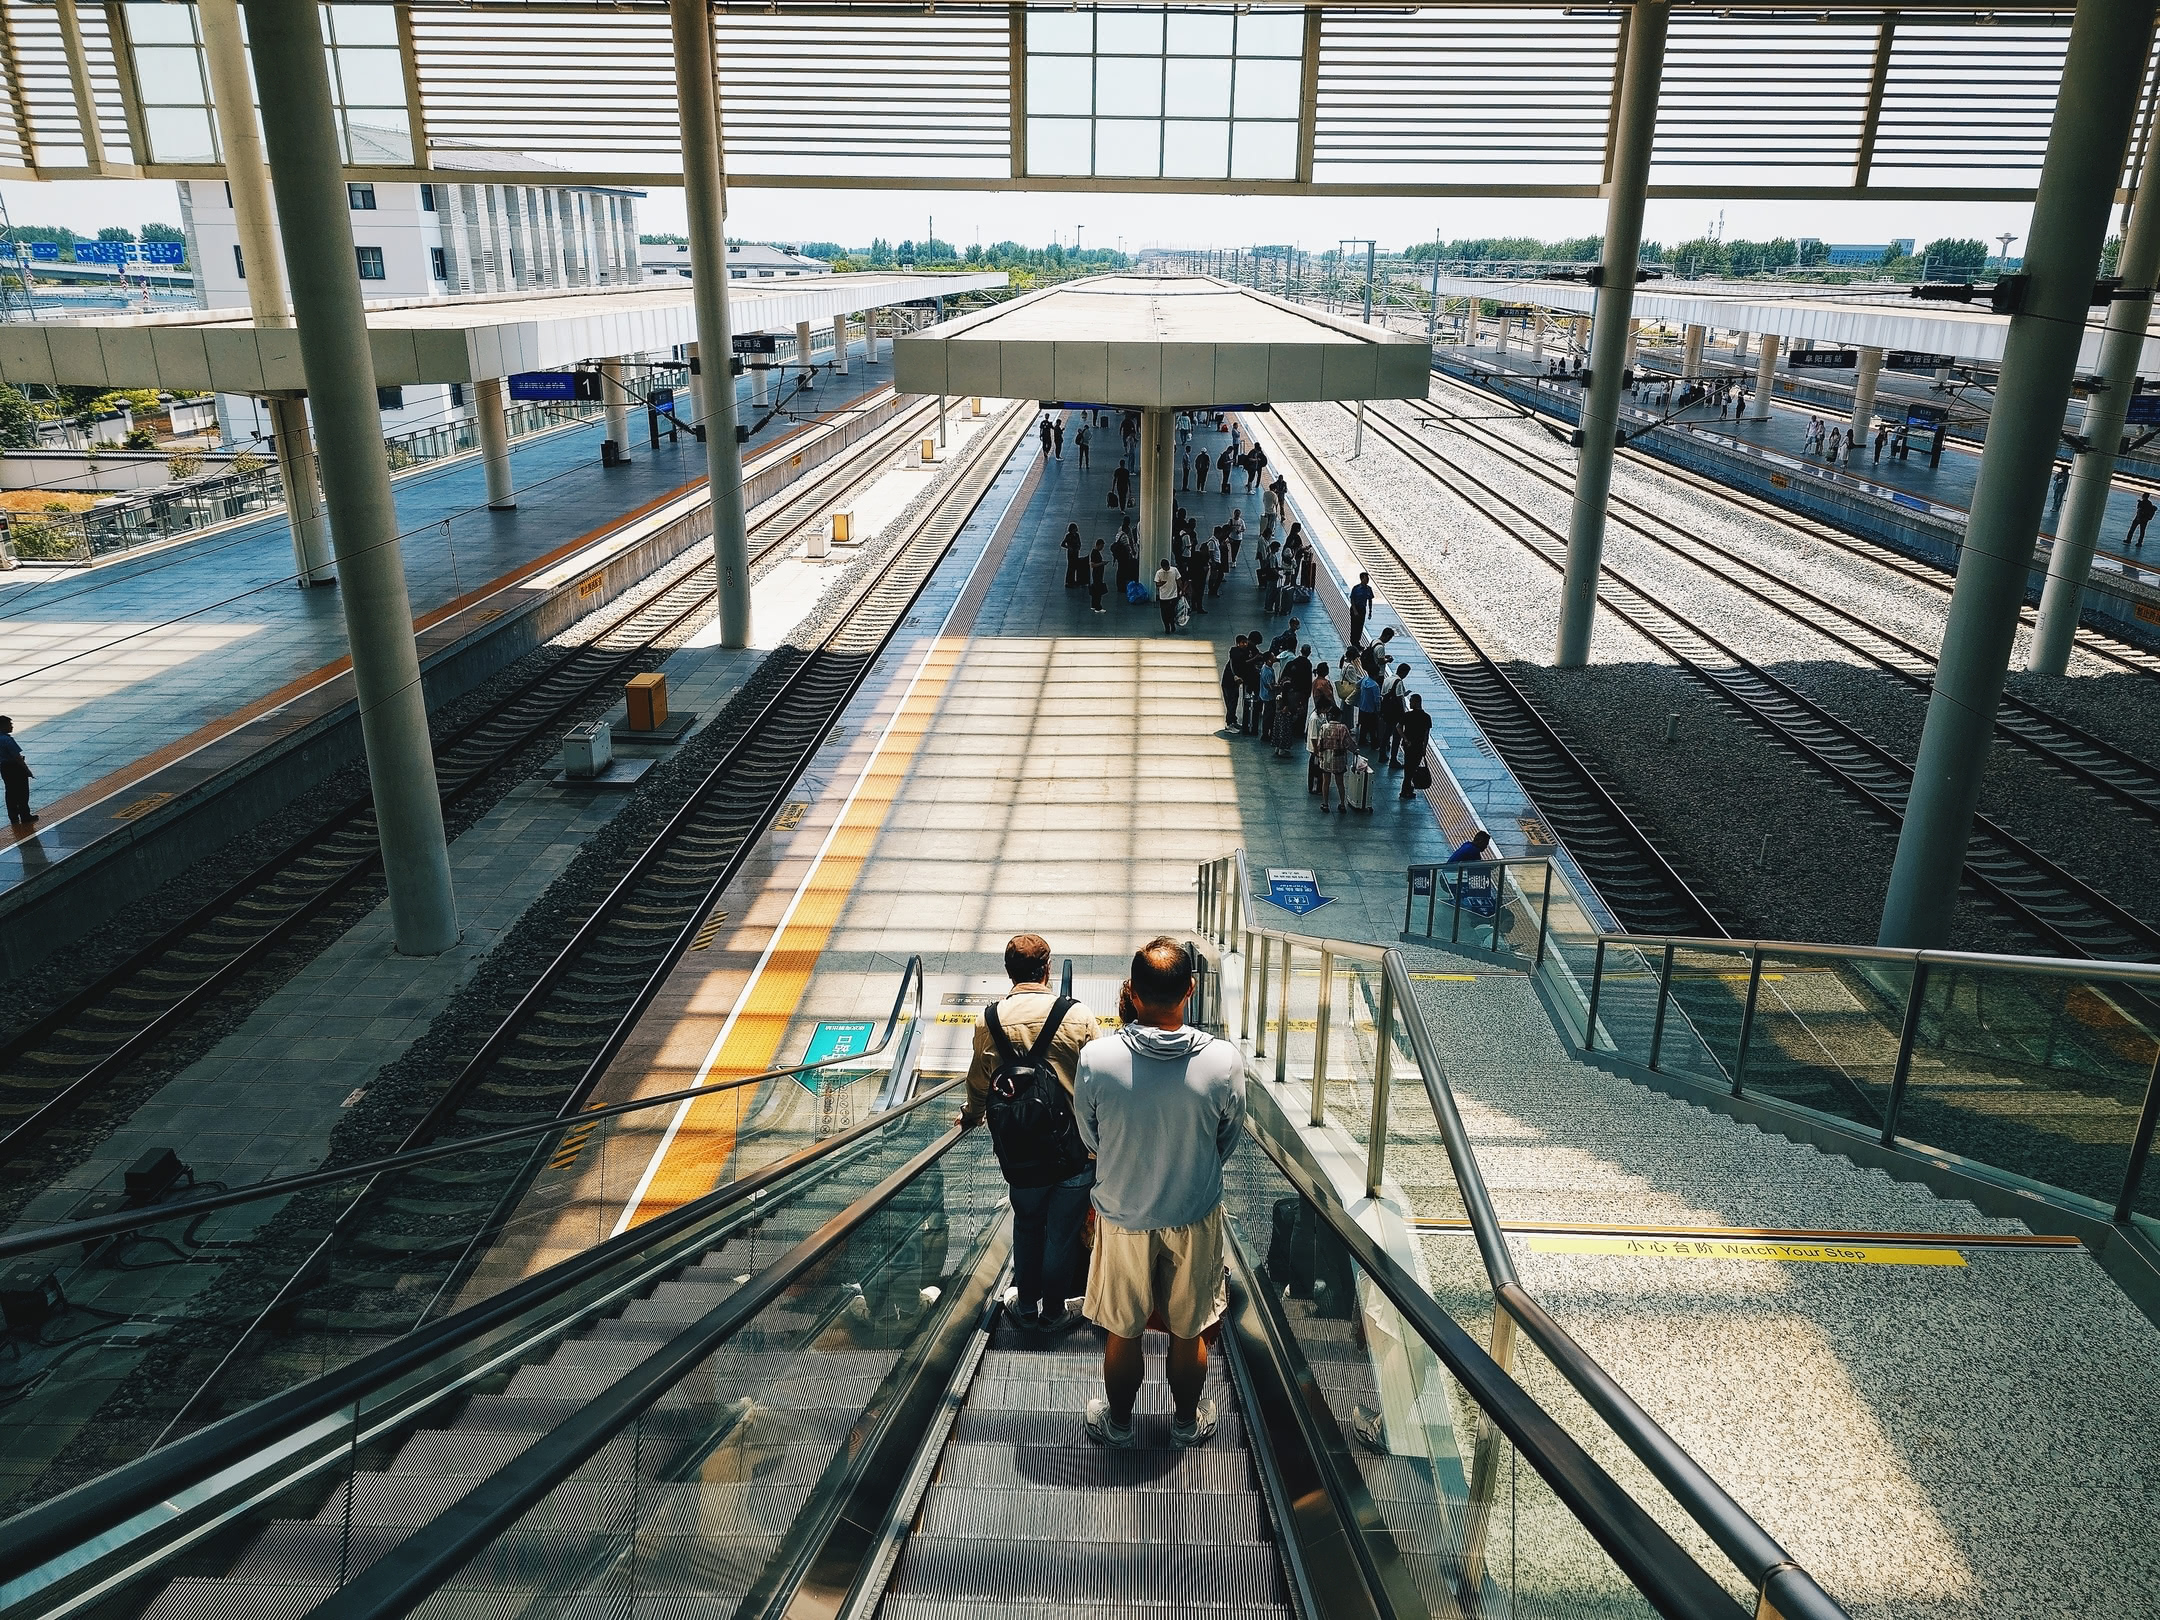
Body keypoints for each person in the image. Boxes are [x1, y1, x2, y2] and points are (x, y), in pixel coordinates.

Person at [1077, 937, 1245, 1449]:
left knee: (1123, 1329)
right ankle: (1186, 1424)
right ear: (1190, 991)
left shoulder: (1097, 1059)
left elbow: (1091, 1137)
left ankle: (1121, 1424)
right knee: (1189, 1327)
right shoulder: (1222, 1061)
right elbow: (1227, 1138)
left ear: (1130, 990)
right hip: (1194, 1212)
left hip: (1123, 1212)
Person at [961, 933, 1101, 1331]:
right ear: (1048, 968)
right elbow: (1100, 1082)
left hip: (1020, 1151)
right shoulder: (1078, 1016)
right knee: (1061, 1233)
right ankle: (1054, 1312)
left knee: (1025, 1224)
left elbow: (978, 1083)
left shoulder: (987, 1020)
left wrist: (971, 1116)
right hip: (1076, 1151)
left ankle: (1024, 1307)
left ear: (1008, 972)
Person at [1314, 710, 1351, 813]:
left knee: (1326, 782)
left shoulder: (1324, 727)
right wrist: (1355, 750)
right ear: (1339, 717)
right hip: (1339, 760)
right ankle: (1342, 804)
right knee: (1340, 783)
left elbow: (1319, 743)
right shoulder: (1343, 728)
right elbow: (1348, 743)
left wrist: (1319, 754)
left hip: (1326, 759)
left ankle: (1325, 804)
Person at [1398, 694, 1434, 800]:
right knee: (1413, 768)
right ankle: (1405, 790)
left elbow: (1398, 727)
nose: (1410, 704)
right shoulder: (1427, 717)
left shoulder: (1407, 715)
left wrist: (1405, 739)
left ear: (1416, 702)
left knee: (1408, 768)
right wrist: (1424, 748)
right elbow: (1426, 735)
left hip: (1408, 746)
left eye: (1411, 702)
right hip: (1418, 746)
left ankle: (1407, 790)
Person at [0, 717, 32, 830]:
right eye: (9, 724)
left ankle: (13, 816)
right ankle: (25, 815)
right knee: (22, 791)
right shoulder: (7, 740)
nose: (12, 726)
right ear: (3, 726)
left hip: (4, 768)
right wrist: (26, 770)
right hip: (14, 767)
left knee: (10, 791)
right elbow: (17, 757)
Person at [1378, 662, 1410, 766]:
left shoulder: (1387, 679)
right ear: (1404, 672)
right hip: (1396, 713)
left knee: (1386, 734)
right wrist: (1403, 714)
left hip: (1387, 711)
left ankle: (1382, 755)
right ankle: (1393, 760)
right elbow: (1399, 698)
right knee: (1397, 736)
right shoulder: (1398, 682)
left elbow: (1383, 694)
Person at [1221, 635, 1248, 728]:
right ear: (1238, 643)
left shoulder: (1244, 652)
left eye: (1246, 642)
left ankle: (1233, 720)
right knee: (1231, 703)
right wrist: (1235, 676)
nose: (1244, 644)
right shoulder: (1234, 652)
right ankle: (1229, 724)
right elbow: (1233, 665)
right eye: (1242, 642)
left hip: (1235, 684)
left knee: (1234, 702)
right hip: (1228, 683)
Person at [1155, 557, 1182, 634]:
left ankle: (1172, 623)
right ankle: (1167, 626)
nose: (1166, 569)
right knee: (1164, 613)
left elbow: (1178, 580)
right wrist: (1162, 583)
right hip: (1163, 596)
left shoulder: (1174, 570)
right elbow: (1157, 584)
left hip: (1173, 595)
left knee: (1172, 611)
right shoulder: (1159, 573)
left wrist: (1182, 589)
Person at [1348, 572, 1376, 647]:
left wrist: (1370, 611)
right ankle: (1353, 642)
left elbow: (1370, 600)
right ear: (1362, 579)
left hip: (1362, 609)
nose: (1367, 580)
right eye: (1366, 578)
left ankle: (1357, 642)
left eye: (1368, 578)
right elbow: (1352, 599)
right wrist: (1354, 611)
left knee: (1360, 627)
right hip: (1355, 609)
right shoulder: (1356, 588)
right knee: (1354, 626)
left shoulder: (1369, 589)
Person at [1061, 523, 1085, 588]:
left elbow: (1079, 542)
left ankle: (1073, 580)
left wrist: (1079, 547)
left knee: (1075, 566)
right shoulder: (1068, 536)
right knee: (1070, 567)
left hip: (1076, 552)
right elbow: (1063, 544)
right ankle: (1069, 581)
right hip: (1071, 554)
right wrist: (1068, 547)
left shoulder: (1077, 535)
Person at [1087, 541, 1108, 613]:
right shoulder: (1094, 553)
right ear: (1098, 545)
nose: (1102, 548)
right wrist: (1102, 563)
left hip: (1097, 574)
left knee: (1095, 590)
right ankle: (1098, 607)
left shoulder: (1095, 552)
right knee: (1098, 591)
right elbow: (1092, 565)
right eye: (1101, 546)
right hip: (1097, 574)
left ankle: (1093, 605)